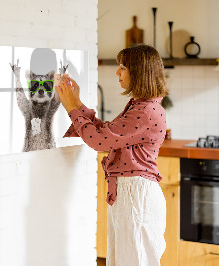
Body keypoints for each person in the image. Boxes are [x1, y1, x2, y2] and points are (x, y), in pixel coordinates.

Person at [56, 44, 168, 266]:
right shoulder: (141, 106)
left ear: (139, 72)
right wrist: (77, 103)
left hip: (136, 195)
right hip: (131, 193)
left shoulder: (145, 111)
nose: (117, 72)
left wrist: (71, 107)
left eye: (123, 67)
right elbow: (107, 133)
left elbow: (99, 141)